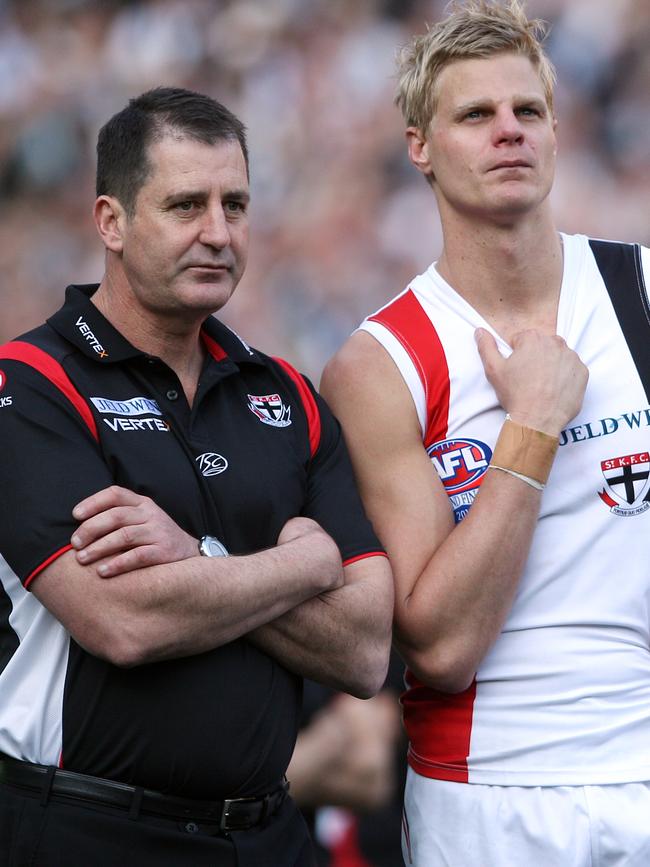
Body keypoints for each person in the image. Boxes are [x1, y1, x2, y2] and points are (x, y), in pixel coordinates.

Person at [0, 86, 393, 867]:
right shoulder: (31, 384)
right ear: (110, 221)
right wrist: (303, 564)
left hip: (270, 834)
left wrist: (196, 559)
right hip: (87, 830)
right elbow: (124, 623)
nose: (218, 233)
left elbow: (365, 649)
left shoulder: (286, 394)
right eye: (186, 205)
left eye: (236, 205)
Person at [320, 2, 650, 865]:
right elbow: (441, 643)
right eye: (476, 114)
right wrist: (533, 427)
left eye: (527, 111)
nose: (509, 131)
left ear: (555, 130)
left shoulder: (642, 292)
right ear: (419, 147)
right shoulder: (380, 361)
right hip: (488, 794)